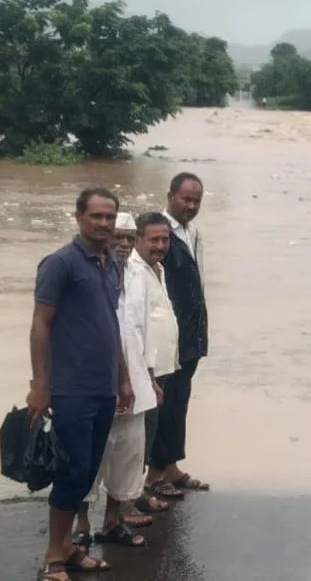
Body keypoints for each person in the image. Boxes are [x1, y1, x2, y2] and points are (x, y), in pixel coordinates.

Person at [29, 188, 134, 581]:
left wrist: (124, 379)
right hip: (70, 387)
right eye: (96, 216)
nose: (104, 223)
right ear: (78, 217)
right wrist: (40, 384)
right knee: (72, 472)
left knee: (88, 472)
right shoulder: (60, 264)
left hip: (104, 386)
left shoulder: (111, 264)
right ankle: (54, 557)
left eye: (110, 217)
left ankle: (71, 548)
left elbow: (112, 326)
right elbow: (40, 325)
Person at [73, 213, 164, 550]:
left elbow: (143, 331)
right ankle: (81, 523)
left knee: (128, 454)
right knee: (90, 456)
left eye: (130, 238)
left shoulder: (139, 275)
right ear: (105, 237)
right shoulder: (88, 273)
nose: (124, 244)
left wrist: (151, 378)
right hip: (95, 382)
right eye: (118, 237)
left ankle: (112, 521)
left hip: (136, 382)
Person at [148, 172, 210, 496]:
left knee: (180, 400)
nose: (191, 205)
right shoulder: (159, 233)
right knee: (164, 401)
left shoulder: (194, 232)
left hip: (192, 332)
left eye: (196, 201)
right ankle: (155, 474)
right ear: (170, 195)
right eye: (186, 199)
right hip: (168, 335)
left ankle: (171, 466)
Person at [125, 213, 181, 496]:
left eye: (165, 239)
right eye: (153, 239)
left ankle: (141, 491)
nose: (160, 245)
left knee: (149, 433)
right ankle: (130, 500)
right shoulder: (134, 273)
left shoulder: (156, 268)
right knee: (138, 438)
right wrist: (147, 377)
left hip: (159, 368)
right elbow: (134, 327)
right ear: (137, 240)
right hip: (144, 372)